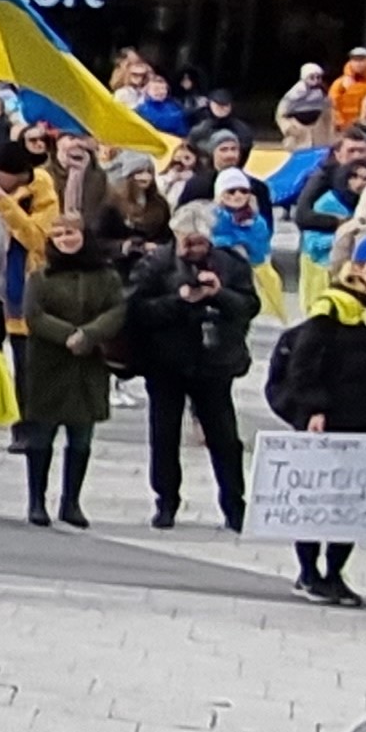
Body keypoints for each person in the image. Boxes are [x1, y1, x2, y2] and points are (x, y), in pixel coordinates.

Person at [270, 232, 366, 608]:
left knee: (354, 503)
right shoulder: (331, 310)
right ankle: (308, 571)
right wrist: (313, 408)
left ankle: (335, 571)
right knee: (316, 500)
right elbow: (304, 365)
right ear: (358, 268)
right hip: (330, 417)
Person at [128, 204, 258, 531]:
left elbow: (249, 306)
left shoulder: (231, 264)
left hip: (214, 363)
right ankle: (166, 501)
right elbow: (136, 311)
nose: (194, 248)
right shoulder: (156, 264)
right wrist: (178, 300)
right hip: (165, 364)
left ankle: (234, 504)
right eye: (188, 241)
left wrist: (220, 294)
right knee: (164, 435)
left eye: (200, 241)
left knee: (225, 438)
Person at [11, 219, 124, 529]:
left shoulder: (106, 277)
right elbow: (34, 316)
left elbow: (116, 310)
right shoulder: (40, 276)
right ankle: (36, 499)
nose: (64, 239)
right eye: (57, 235)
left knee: (81, 436)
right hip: (49, 363)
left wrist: (88, 334)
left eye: (70, 233)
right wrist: (68, 336)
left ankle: (71, 501)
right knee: (41, 434)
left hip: (89, 365)